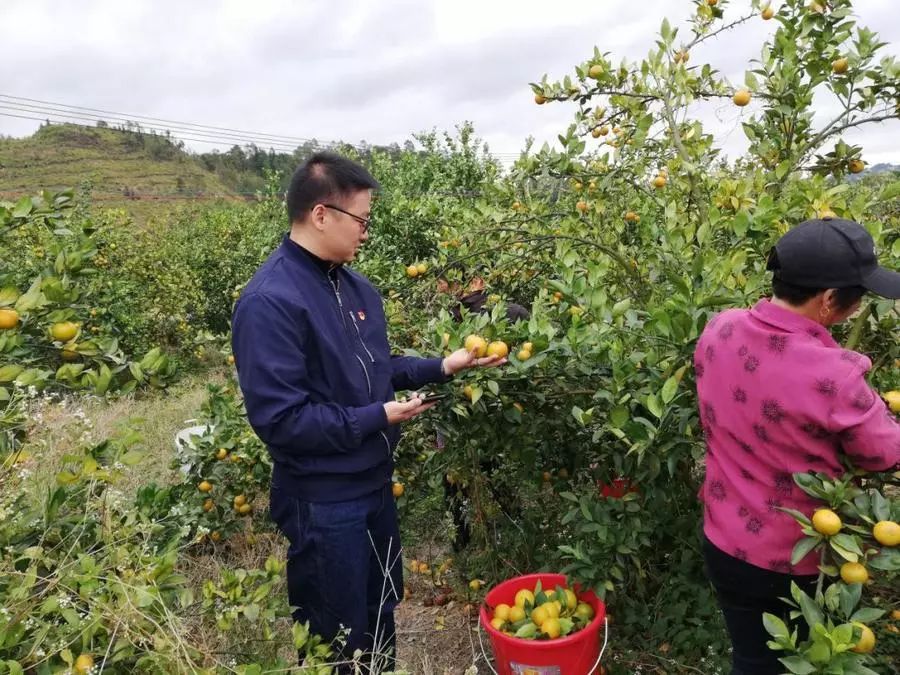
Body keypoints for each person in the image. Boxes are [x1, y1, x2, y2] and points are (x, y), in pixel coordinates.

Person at [231, 152, 504, 671]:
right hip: (324, 500)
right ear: (320, 215)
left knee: (380, 615)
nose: (366, 233)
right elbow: (281, 422)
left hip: (375, 488)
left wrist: (443, 366)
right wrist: (377, 417)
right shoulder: (271, 302)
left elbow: (380, 368)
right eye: (361, 220)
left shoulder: (355, 289)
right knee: (337, 634)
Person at [693, 217, 900, 674]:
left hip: (723, 540)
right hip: (793, 560)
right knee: (795, 660)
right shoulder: (837, 374)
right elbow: (884, 453)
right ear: (829, 300)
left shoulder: (719, 328)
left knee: (750, 656)